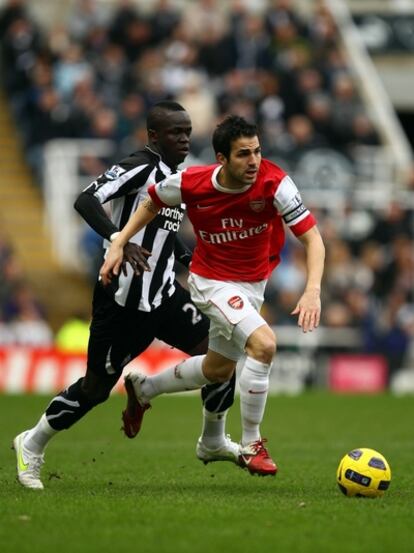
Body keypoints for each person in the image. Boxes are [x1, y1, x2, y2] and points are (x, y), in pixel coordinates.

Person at [13, 101, 239, 490]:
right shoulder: (140, 166)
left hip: (165, 297)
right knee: (95, 390)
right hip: (121, 304)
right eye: (175, 132)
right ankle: (31, 443)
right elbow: (85, 199)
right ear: (154, 136)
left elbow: (164, 238)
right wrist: (119, 239)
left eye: (187, 131)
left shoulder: (178, 176)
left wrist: (195, 260)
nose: (184, 138)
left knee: (221, 354)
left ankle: (212, 439)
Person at [101, 115, 325, 476]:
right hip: (211, 282)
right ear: (221, 158)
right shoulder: (192, 183)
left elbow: (313, 238)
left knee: (217, 369)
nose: (253, 162)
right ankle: (252, 443)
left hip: (253, 285)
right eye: (243, 155)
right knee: (264, 345)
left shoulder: (275, 183)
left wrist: (312, 290)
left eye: (257, 152)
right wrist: (120, 240)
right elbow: (151, 201)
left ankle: (145, 389)